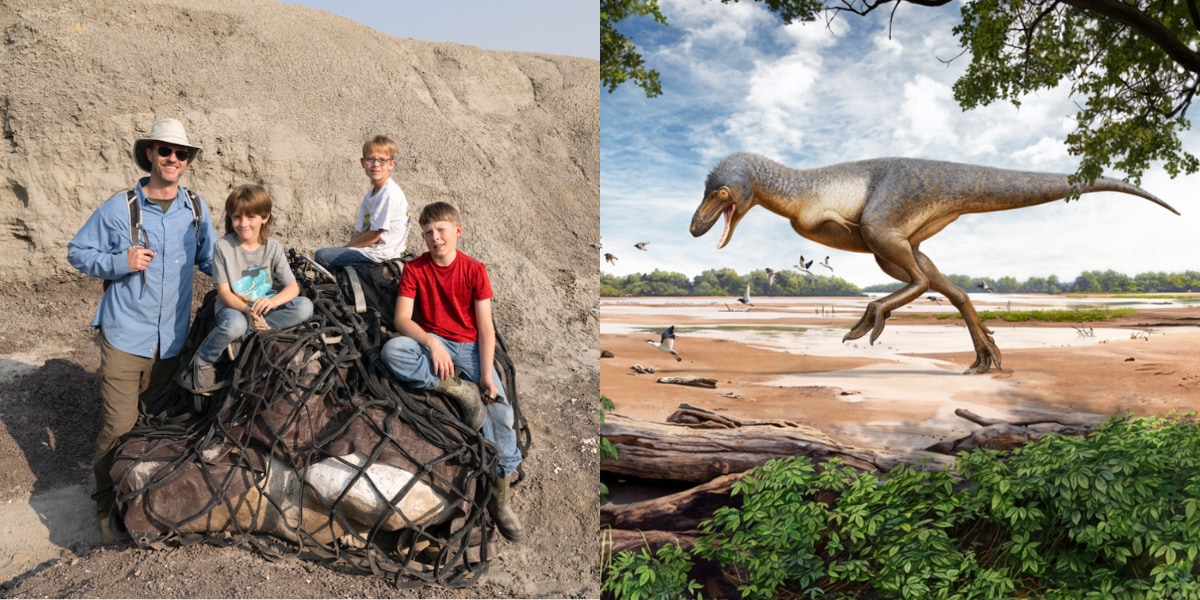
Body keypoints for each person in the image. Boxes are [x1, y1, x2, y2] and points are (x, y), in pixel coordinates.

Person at [66, 117, 217, 542]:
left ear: (187, 162)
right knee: (118, 429)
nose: (172, 159)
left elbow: (211, 262)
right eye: (164, 150)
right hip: (125, 338)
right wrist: (120, 263)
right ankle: (103, 506)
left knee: (155, 428)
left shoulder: (196, 210)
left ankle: (144, 503)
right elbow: (77, 251)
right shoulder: (120, 208)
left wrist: (256, 283)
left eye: (180, 153)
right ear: (150, 153)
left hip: (171, 343)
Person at [379, 201, 524, 542]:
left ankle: (502, 500)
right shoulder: (415, 270)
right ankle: (456, 389)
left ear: (457, 230)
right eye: (428, 232)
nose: (435, 238)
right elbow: (401, 320)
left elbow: (485, 329)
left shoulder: (475, 269)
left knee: (501, 415)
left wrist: (487, 374)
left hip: (471, 348)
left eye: (441, 230)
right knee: (392, 351)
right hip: (435, 344)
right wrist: (431, 340)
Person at [189, 184, 314, 393]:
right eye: (236, 217)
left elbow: (292, 287)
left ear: (265, 217)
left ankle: (248, 335)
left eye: (251, 217)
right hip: (236, 307)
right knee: (234, 326)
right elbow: (224, 293)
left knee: (304, 307)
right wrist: (247, 311)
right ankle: (204, 359)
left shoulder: (272, 247)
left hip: (264, 306)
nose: (243, 224)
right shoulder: (223, 247)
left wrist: (273, 302)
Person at [313, 134, 411, 270]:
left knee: (322, 255)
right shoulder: (370, 195)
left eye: (382, 160)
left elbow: (373, 236)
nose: (376, 164)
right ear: (363, 162)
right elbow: (361, 233)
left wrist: (342, 250)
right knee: (328, 254)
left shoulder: (388, 193)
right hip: (369, 251)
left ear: (391, 164)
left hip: (381, 255)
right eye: (371, 159)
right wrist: (341, 250)